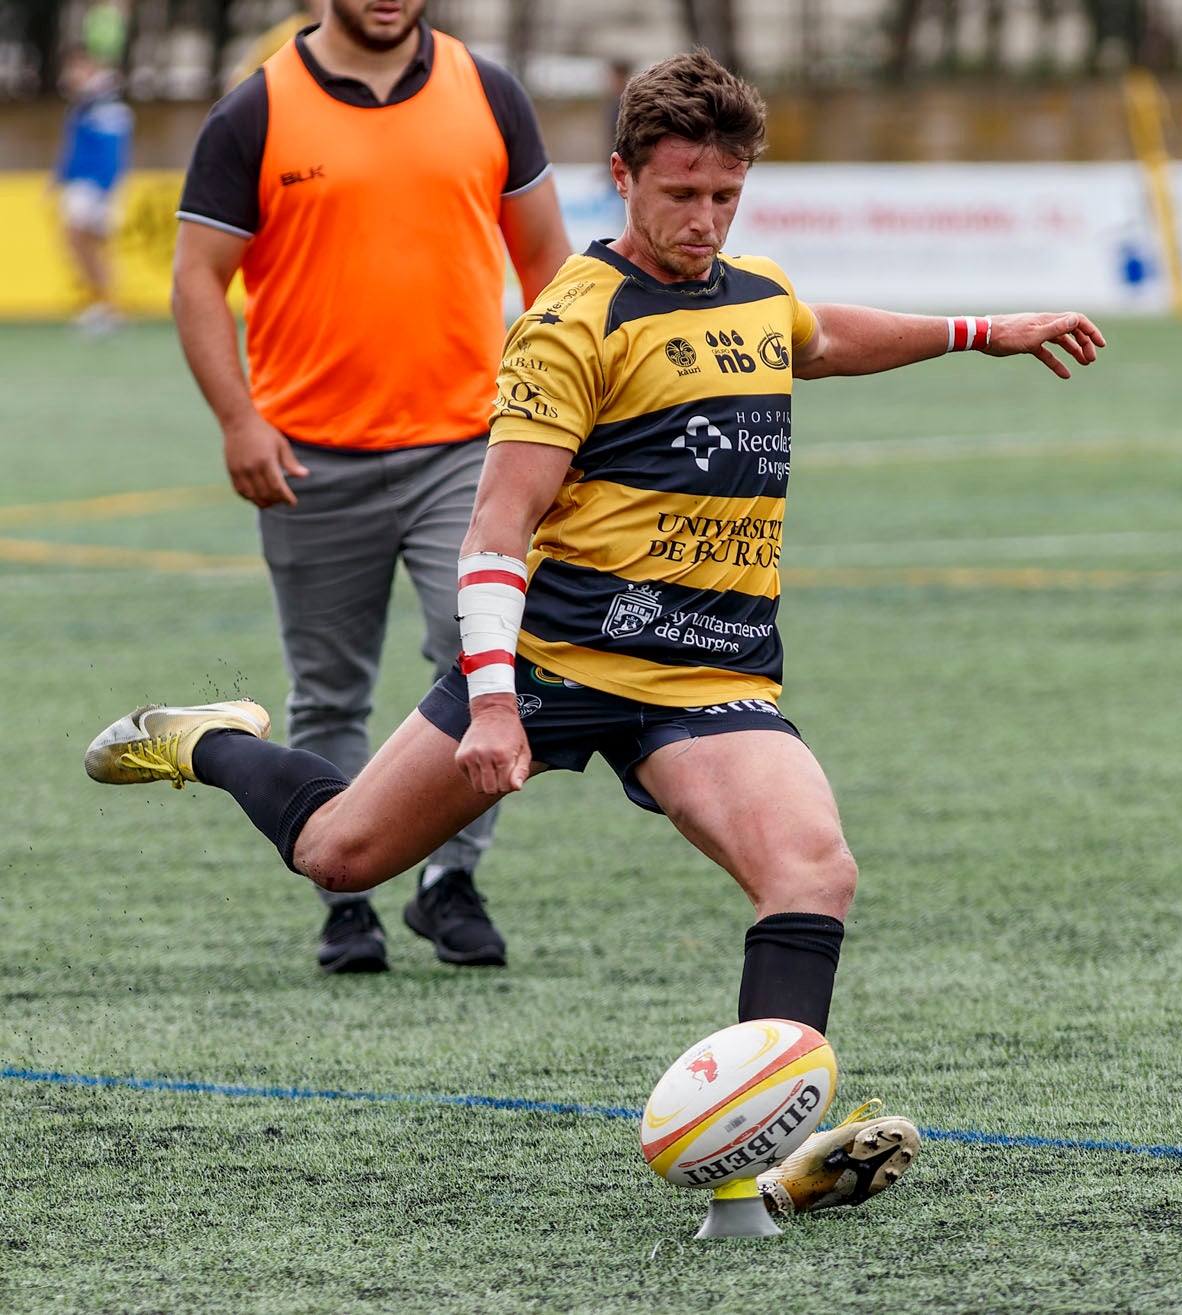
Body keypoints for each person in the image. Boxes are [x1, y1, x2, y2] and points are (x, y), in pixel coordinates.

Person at [88, 49, 1104, 1215]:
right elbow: (494, 530)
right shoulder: (573, 322)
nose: (705, 220)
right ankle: (208, 737)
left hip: (708, 678)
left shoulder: (753, 293)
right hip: (554, 662)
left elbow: (820, 338)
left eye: (725, 195)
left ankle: (770, 1161)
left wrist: (987, 329)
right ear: (622, 177)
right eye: (681, 194)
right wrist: (492, 702)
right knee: (341, 856)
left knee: (812, 867)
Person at [169, 0, 571, 973]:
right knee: (330, 690)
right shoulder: (256, 110)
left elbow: (552, 269)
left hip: (467, 451)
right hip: (310, 459)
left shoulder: (490, 93)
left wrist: (554, 421)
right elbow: (196, 278)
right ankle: (345, 897)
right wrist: (239, 420)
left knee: (484, 664)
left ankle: (451, 881)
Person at [52, 45, 133, 336]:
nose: (70, 74)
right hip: (83, 185)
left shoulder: (105, 103)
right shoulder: (85, 103)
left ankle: (106, 306)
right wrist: (58, 179)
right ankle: (103, 304)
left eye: (76, 67)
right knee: (87, 246)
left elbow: (111, 153)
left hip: (94, 187)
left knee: (85, 244)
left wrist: (104, 190)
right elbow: (73, 148)